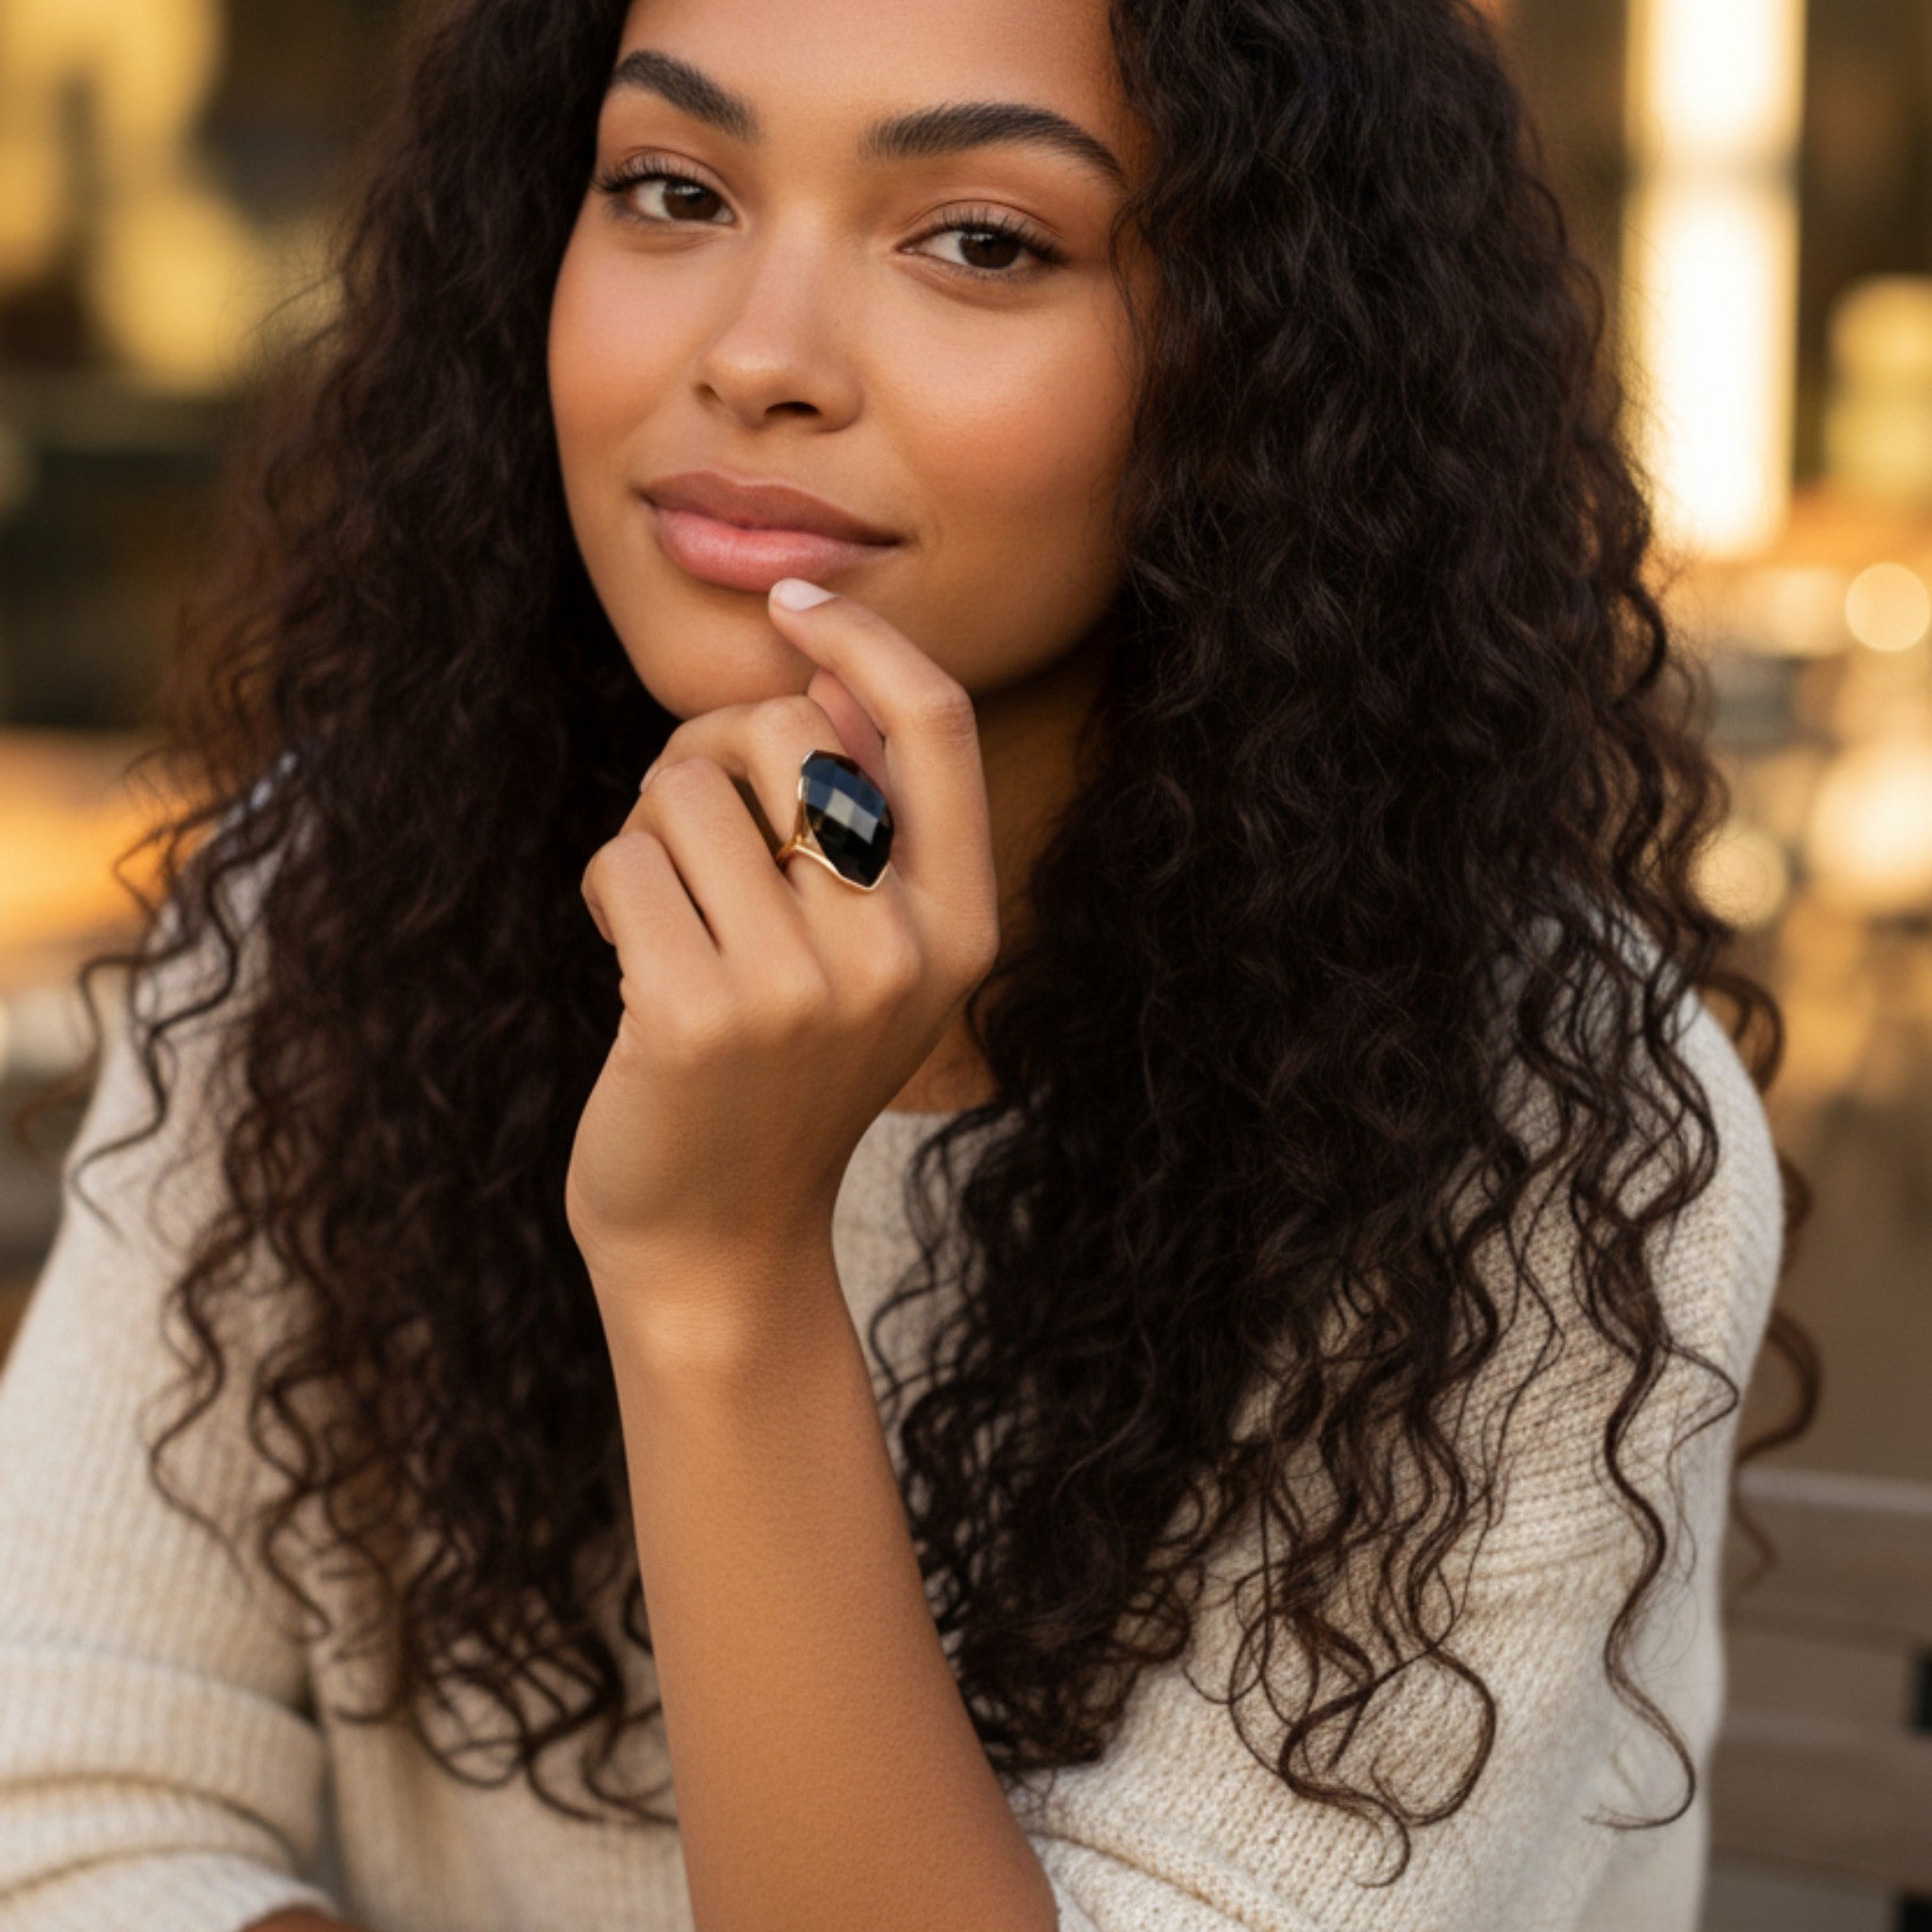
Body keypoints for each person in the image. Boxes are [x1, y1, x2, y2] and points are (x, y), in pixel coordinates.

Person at [0, 0, 1817, 1927]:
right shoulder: (339, 908)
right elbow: (60, 1794)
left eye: (982, 240)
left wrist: (718, 1271)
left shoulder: (1531, 1130)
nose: (757, 355)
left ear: (1269, 357)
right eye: (671, 189)